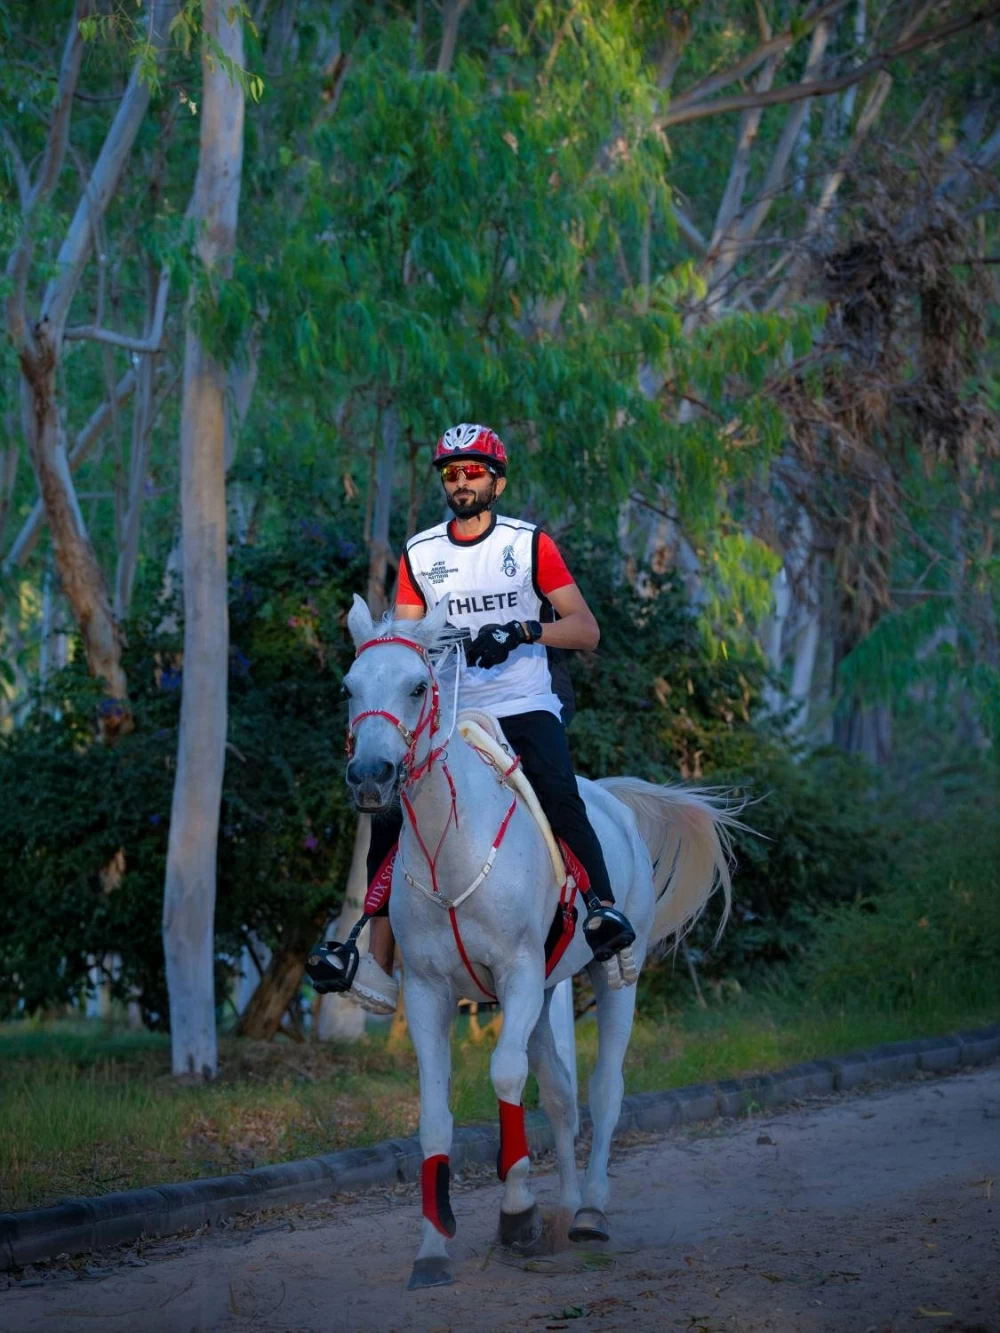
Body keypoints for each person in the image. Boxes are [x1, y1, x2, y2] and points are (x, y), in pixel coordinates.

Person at [341, 423, 635, 1014]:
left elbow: (586, 629)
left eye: (473, 471)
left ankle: (604, 917)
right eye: (452, 474)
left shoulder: (530, 545)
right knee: (391, 802)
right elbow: (404, 639)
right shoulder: (421, 554)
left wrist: (526, 629)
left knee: (558, 794)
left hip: (522, 701)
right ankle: (374, 960)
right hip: (448, 710)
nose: (462, 482)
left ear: (496, 481)